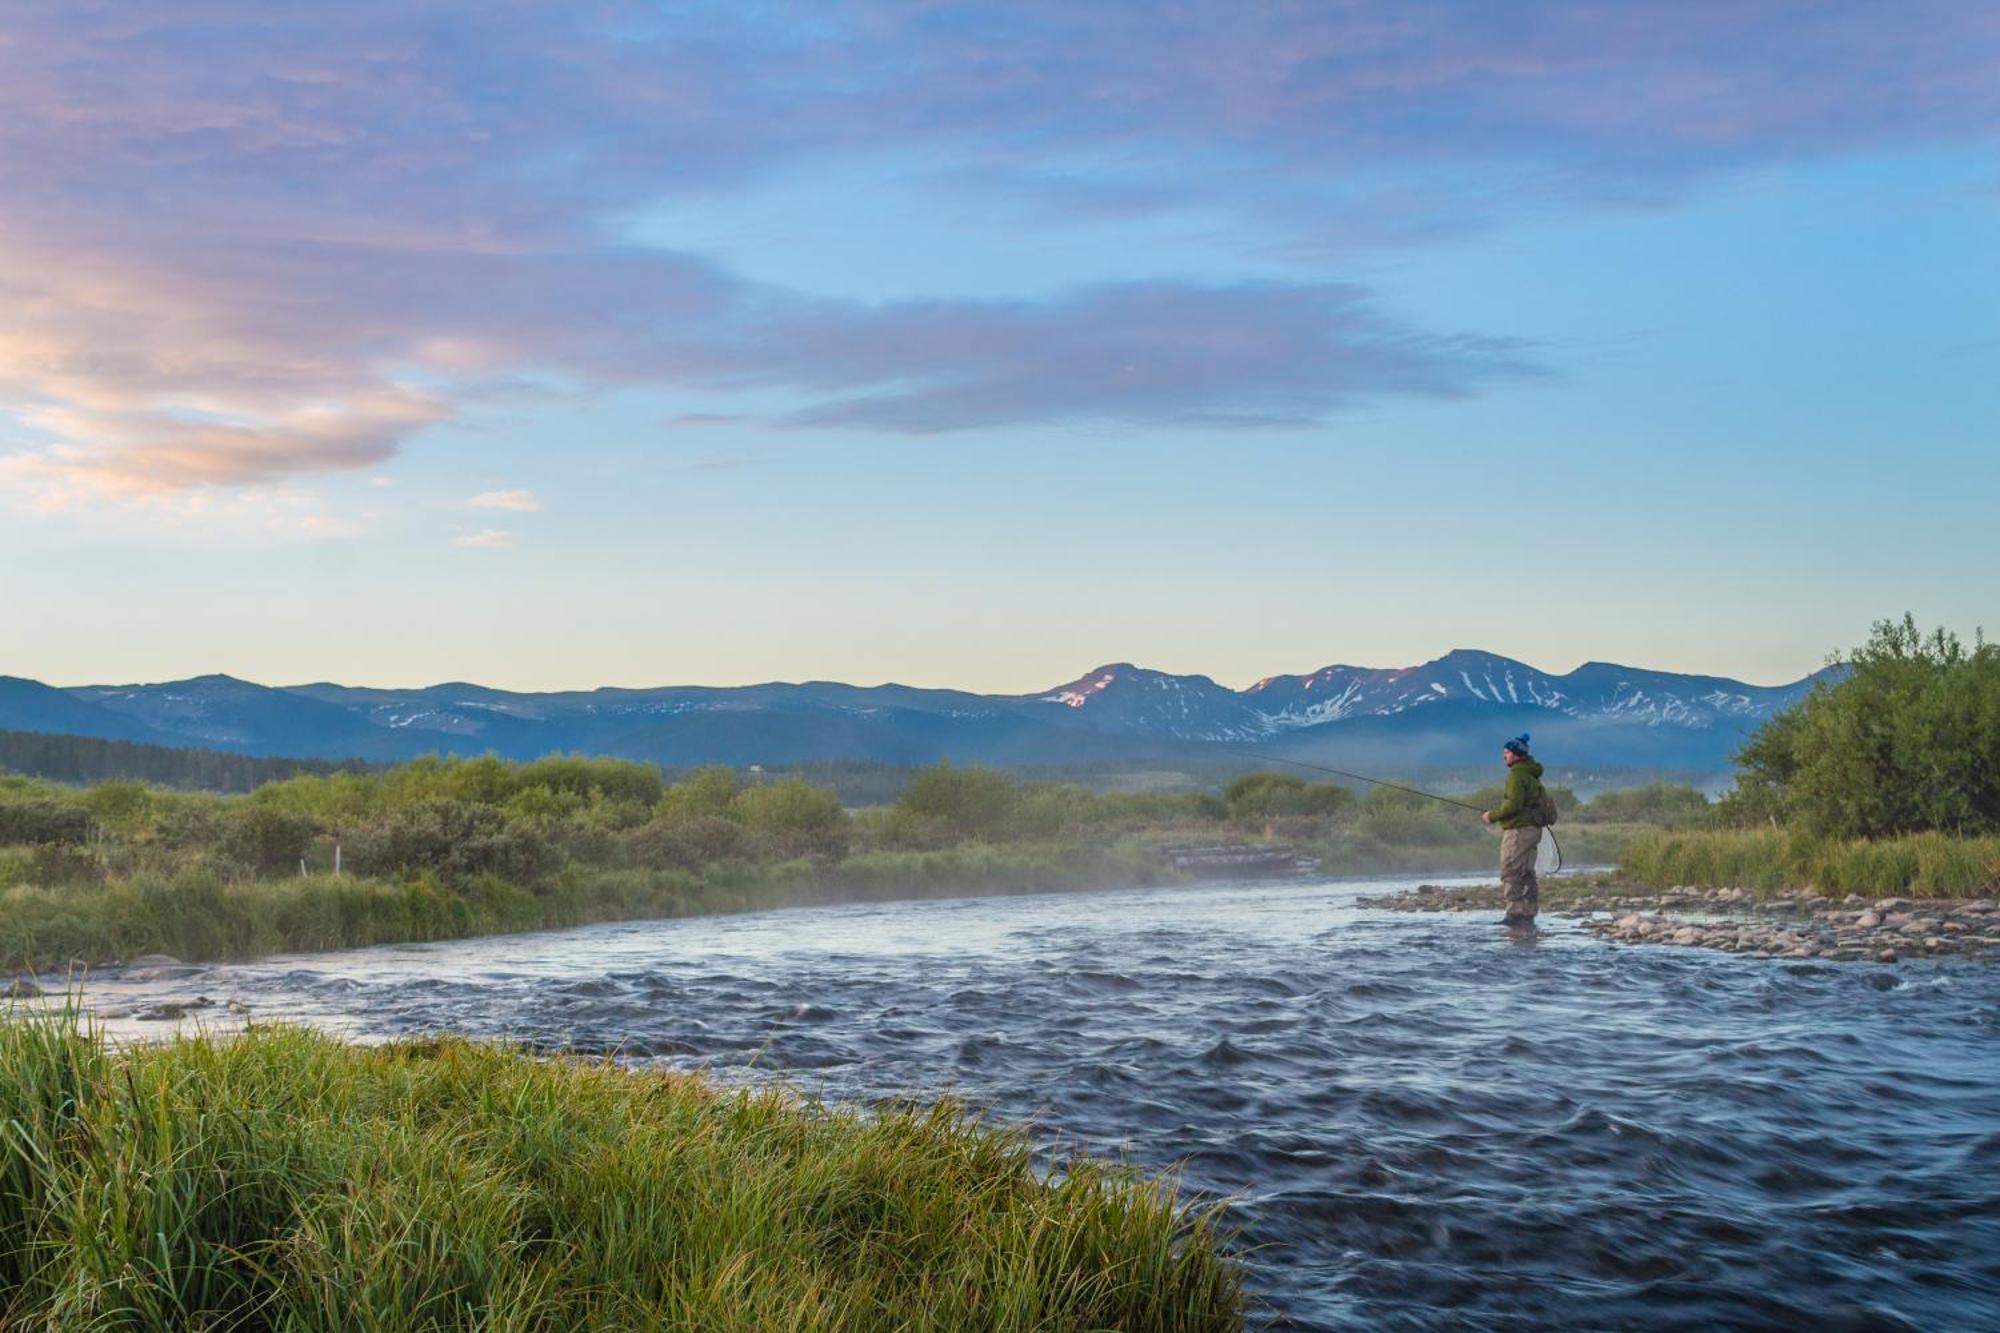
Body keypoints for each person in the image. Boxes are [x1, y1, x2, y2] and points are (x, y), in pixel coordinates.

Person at [1481, 733, 1545, 928]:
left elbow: (1514, 805)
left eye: (1507, 753)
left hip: (1518, 830)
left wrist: (1492, 816)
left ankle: (1515, 914)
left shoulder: (1516, 775)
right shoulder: (1531, 774)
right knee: (1526, 872)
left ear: (1517, 755)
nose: (1504, 756)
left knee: (1510, 870)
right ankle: (1528, 913)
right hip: (1533, 829)